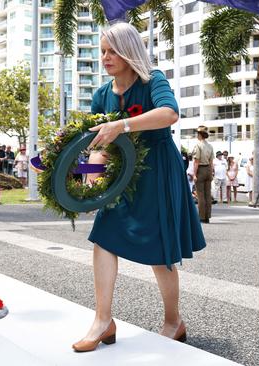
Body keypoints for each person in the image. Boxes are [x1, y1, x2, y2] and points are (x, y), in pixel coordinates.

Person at [73, 22, 206, 353]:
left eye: (111, 51)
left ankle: (174, 322)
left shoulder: (152, 80)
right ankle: (103, 320)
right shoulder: (103, 94)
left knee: (161, 252)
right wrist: (91, 178)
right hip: (121, 177)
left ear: (129, 51)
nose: (105, 57)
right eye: (102, 51)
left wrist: (123, 125)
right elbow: (99, 143)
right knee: (103, 239)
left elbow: (169, 113)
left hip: (158, 171)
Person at [192, 125, 214, 223]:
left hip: (200, 169)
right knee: (207, 195)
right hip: (208, 170)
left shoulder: (198, 145)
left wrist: (194, 174)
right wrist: (211, 173)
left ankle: (201, 217)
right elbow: (211, 162)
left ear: (200, 134)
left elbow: (196, 161)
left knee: (200, 195)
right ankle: (207, 216)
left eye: (197, 133)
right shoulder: (210, 146)